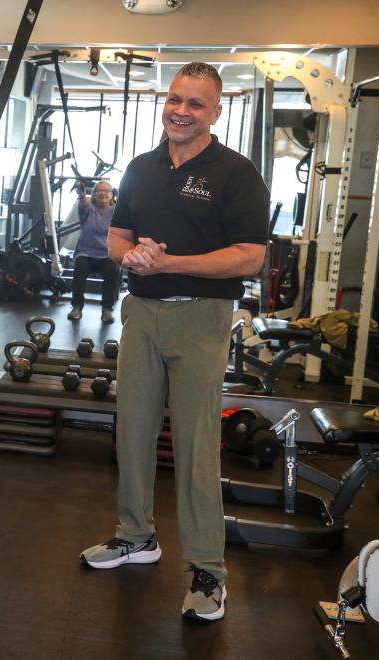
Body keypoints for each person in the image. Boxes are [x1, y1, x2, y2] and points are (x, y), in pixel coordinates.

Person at [78, 62, 269, 622]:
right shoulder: (142, 167)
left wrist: (171, 263)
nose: (181, 111)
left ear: (216, 112)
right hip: (141, 313)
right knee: (132, 429)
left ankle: (208, 569)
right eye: (176, 99)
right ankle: (135, 536)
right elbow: (117, 237)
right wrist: (130, 256)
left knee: (193, 444)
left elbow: (251, 255)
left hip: (202, 317)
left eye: (196, 104)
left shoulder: (236, 172)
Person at [67, 179, 120, 323]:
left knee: (112, 267)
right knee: (80, 266)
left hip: (107, 254)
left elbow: (127, 206)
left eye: (106, 191)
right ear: (94, 195)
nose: (103, 193)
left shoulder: (116, 211)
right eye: (99, 191)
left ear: (112, 195)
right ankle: (77, 306)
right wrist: (81, 191)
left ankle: (107, 309)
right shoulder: (88, 209)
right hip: (87, 253)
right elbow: (83, 201)